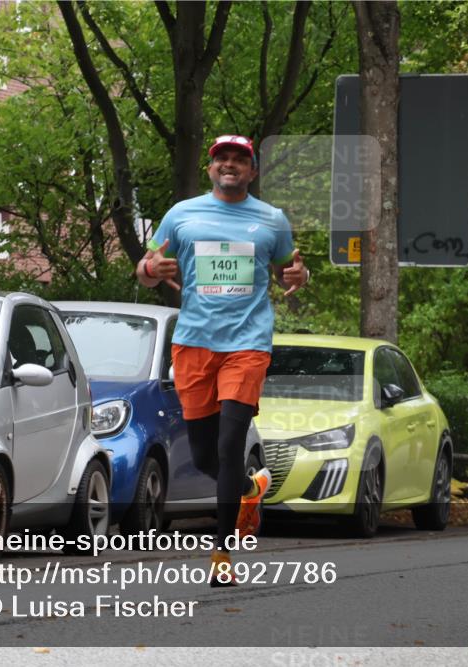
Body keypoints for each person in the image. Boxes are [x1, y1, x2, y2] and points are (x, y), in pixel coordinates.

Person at [136, 134, 309, 586]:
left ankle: (222, 554)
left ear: (252, 171)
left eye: (239, 160)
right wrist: (151, 270)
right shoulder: (181, 214)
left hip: (248, 345)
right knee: (203, 455)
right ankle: (250, 488)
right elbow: (147, 267)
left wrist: (299, 274)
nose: (229, 165)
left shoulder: (272, 219)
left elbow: (289, 271)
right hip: (194, 343)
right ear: (211, 168)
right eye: (222, 159)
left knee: (231, 443)